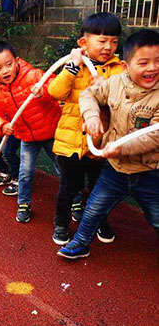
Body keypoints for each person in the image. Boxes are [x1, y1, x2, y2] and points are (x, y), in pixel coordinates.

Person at [58, 29, 159, 259]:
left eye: (158, 61)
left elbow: (154, 136)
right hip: (115, 168)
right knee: (94, 208)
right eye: (143, 63)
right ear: (125, 66)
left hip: (150, 171)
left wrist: (120, 148)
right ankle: (80, 243)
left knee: (156, 216)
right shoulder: (115, 83)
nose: (152, 68)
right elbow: (88, 95)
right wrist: (92, 116)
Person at [48, 12, 125, 245]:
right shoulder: (76, 66)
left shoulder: (119, 69)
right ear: (84, 42)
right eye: (102, 41)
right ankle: (61, 223)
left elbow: (123, 101)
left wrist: (106, 89)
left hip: (99, 143)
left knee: (98, 189)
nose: (108, 47)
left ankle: (99, 220)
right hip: (70, 141)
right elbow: (55, 91)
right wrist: (72, 66)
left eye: (113, 41)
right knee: (69, 187)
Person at [0, 41, 61, 223]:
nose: (5, 71)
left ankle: (75, 200)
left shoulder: (34, 76)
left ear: (17, 61)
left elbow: (58, 88)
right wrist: (2, 125)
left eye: (9, 64)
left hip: (52, 133)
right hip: (27, 137)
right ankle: (24, 203)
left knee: (64, 169)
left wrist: (43, 92)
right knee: (25, 173)